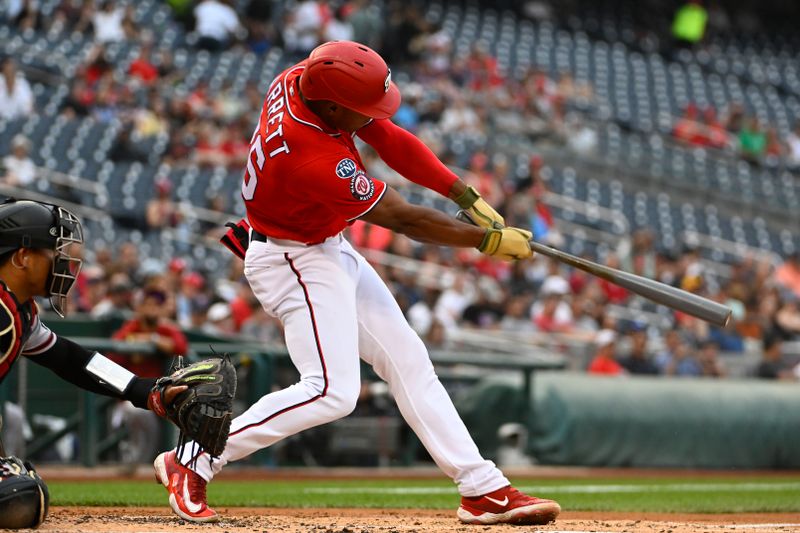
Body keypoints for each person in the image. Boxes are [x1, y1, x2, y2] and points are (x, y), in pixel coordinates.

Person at [153, 40, 560, 526]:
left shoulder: (304, 78)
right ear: (330, 105)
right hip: (292, 260)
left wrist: (463, 193)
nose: (371, 116)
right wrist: (484, 242)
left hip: (322, 244)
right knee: (331, 391)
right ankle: (195, 459)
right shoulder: (309, 154)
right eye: (360, 108)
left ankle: (482, 488)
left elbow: (389, 137)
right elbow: (404, 219)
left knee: (408, 359)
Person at [0, 198, 185, 527]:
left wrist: (145, 391)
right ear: (22, 257)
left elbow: (73, 360)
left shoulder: (20, 311)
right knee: (18, 501)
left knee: (20, 498)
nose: (62, 262)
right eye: (52, 252)